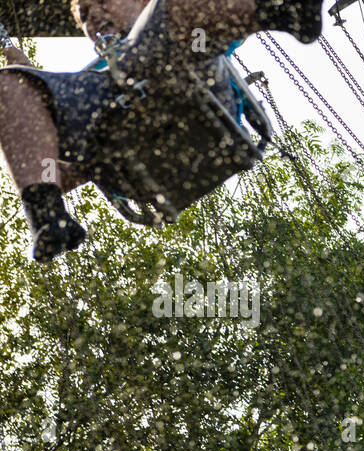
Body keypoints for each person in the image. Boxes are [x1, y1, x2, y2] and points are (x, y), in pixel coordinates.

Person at [0, 0, 324, 261]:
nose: (94, 14)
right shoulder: (92, 83)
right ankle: (47, 215)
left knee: (171, 13)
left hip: (189, 73)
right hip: (122, 136)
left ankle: (286, 12)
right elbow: (58, 166)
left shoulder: (174, 20)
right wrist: (39, 106)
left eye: (103, 1)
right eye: (84, 14)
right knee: (9, 84)